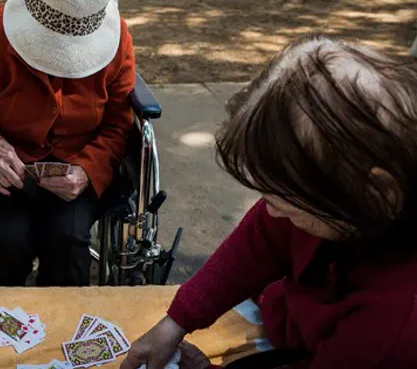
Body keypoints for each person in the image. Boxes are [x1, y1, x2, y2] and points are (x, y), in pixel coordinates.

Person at [122, 36, 417, 369]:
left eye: (287, 203)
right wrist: (176, 321)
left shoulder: (394, 325)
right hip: (290, 328)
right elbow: (259, 240)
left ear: (376, 193)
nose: (271, 211)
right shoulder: (338, 199)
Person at [0, 0, 136, 287]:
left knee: (68, 243)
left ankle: (62, 331)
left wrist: (88, 170)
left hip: (78, 164)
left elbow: (118, 126)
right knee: (5, 244)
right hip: (5, 168)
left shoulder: (118, 38)